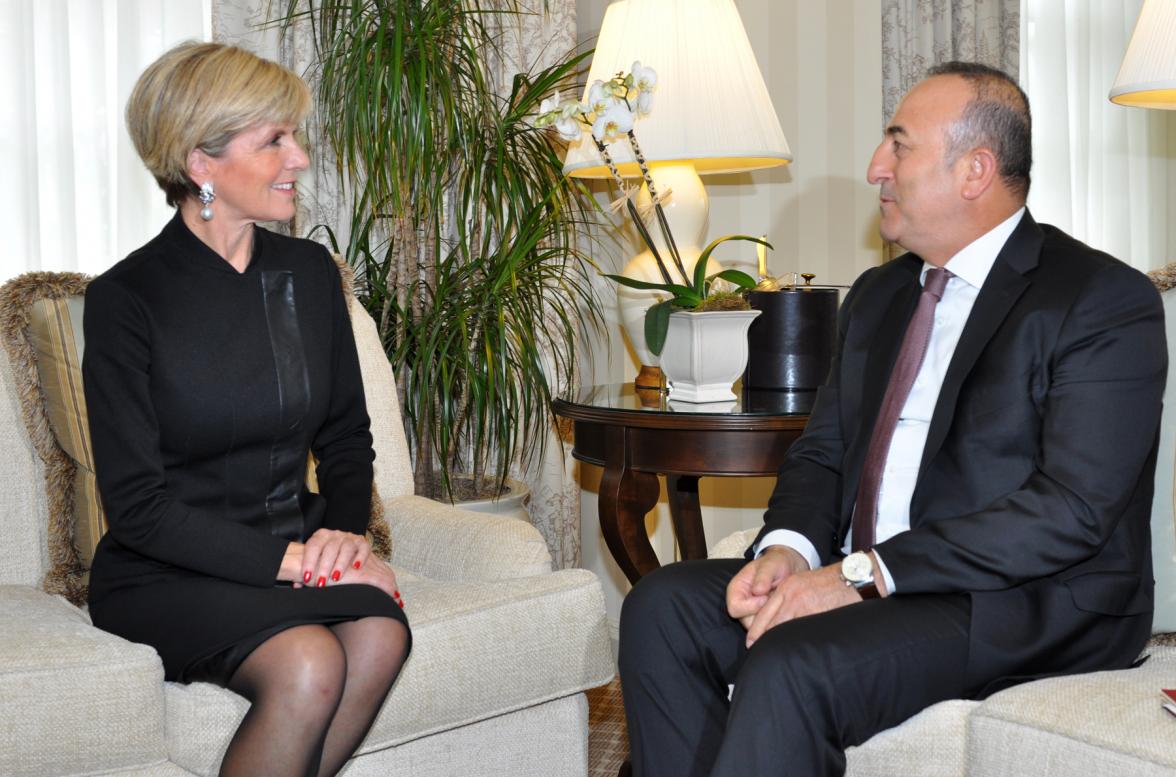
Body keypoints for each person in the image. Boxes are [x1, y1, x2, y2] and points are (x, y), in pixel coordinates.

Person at [618, 61, 1166, 777]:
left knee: (792, 661)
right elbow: (823, 452)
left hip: (1015, 601)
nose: (876, 166)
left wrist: (861, 572)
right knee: (663, 607)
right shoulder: (880, 294)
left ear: (975, 170)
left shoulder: (1099, 300)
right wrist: (787, 549)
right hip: (876, 581)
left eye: (899, 144)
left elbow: (1072, 510)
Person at [83, 42, 410, 777]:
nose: (298, 157)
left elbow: (347, 438)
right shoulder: (124, 302)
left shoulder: (310, 275)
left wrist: (343, 538)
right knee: (308, 660)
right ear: (202, 163)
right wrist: (306, 567)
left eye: (295, 136)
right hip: (163, 571)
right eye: (275, 140)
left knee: (382, 634)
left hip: (286, 539)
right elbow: (138, 508)